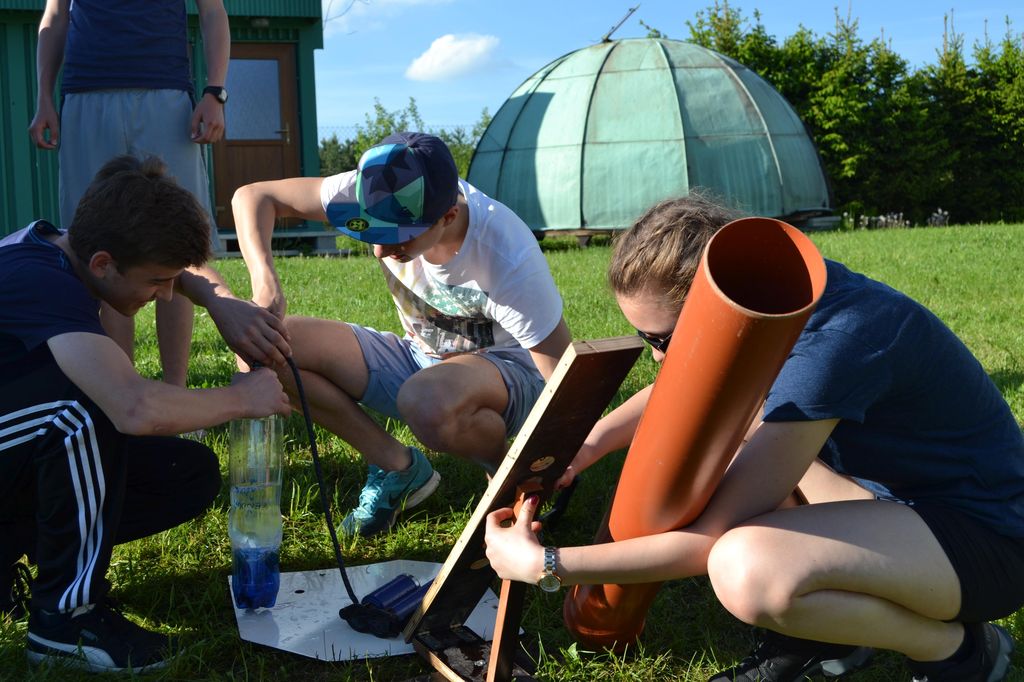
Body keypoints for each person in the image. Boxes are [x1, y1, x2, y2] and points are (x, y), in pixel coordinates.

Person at [484, 194, 1024, 681]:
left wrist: (549, 565)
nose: (657, 357)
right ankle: (825, 632)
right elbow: (687, 385)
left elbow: (707, 541)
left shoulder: (831, 346)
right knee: (727, 440)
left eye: (662, 338)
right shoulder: (779, 300)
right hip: (900, 506)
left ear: (716, 307)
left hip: (987, 543)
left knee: (745, 568)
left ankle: (956, 650)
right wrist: (589, 446)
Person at [0, 155, 292, 673]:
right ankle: (64, 620)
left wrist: (218, 299)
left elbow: (169, 269)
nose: (166, 294)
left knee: (185, 472)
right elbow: (133, 407)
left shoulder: (63, 247)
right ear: (103, 264)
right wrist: (246, 399)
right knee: (81, 413)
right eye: (158, 282)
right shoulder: (38, 281)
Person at [231, 131, 572, 537]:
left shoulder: (505, 253)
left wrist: (552, 460)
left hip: (510, 374)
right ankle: (397, 466)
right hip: (419, 357)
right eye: (373, 231)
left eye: (397, 236)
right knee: (263, 345)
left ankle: (506, 479)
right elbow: (252, 196)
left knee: (426, 400)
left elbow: (566, 377)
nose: (379, 250)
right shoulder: (374, 189)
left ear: (448, 217)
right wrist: (264, 281)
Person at [28, 0, 231, 388]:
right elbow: (55, 15)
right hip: (86, 95)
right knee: (96, 246)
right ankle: (119, 389)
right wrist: (44, 98)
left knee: (178, 243)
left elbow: (212, 11)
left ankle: (175, 391)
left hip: (166, 94)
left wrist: (215, 92)